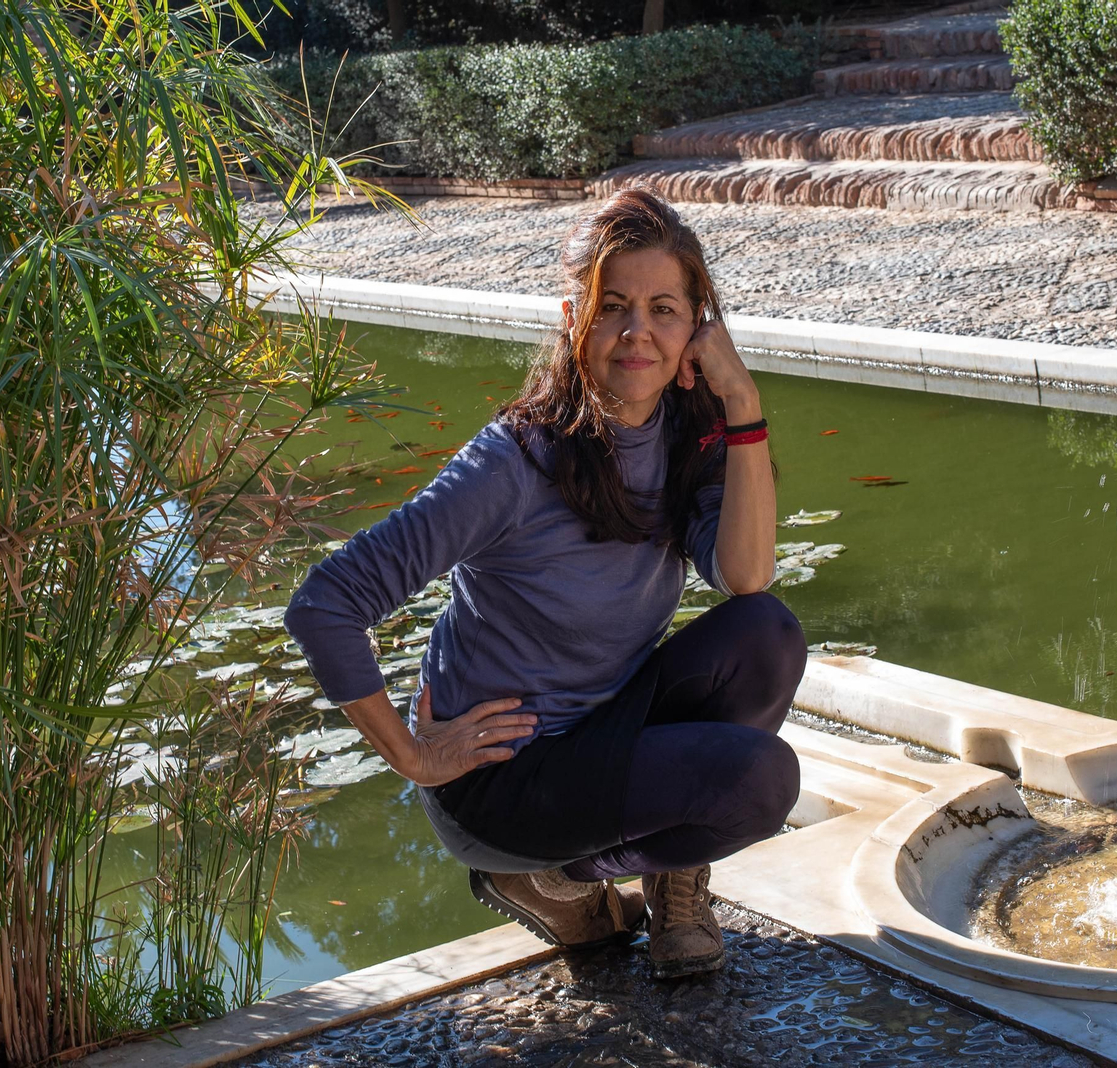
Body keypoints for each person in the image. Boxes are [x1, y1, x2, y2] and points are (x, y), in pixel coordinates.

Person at [284, 188, 806, 980]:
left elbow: (746, 574)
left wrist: (743, 402)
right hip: (503, 777)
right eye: (613, 307)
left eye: (665, 309)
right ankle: (546, 875)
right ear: (575, 321)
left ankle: (673, 884)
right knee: (757, 782)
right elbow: (324, 603)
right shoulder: (514, 461)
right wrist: (414, 759)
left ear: (699, 327)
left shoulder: (689, 438)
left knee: (766, 634)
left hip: (601, 726)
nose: (638, 332)